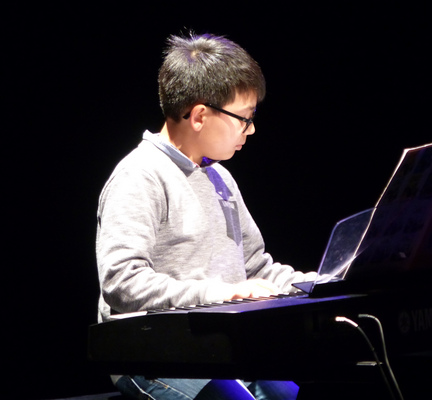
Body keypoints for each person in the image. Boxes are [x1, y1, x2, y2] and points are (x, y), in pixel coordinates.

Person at [95, 32, 317, 400]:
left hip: (219, 348)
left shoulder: (221, 179)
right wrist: (221, 294)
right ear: (199, 116)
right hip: (154, 356)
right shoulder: (139, 175)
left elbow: (255, 269)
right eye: (244, 118)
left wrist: (321, 284)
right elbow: (122, 282)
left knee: (295, 394)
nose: (251, 129)